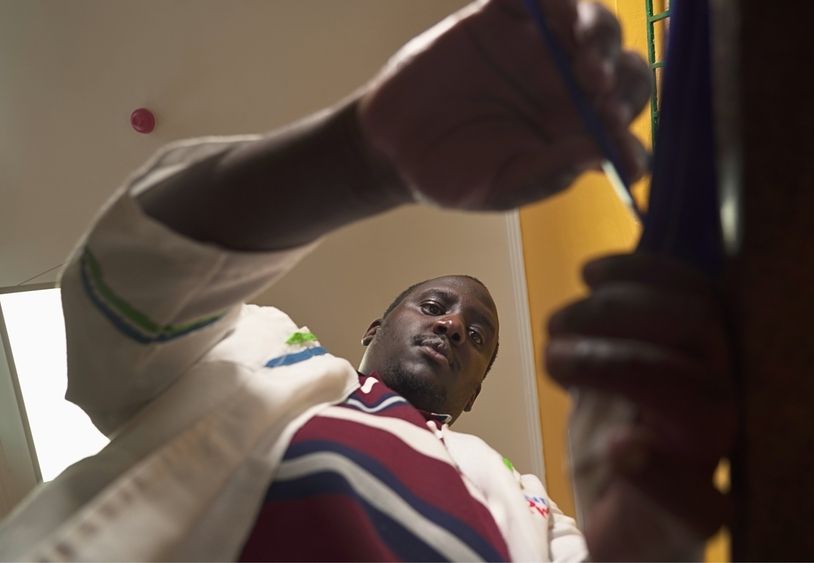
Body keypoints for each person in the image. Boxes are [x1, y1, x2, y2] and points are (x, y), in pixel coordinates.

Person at [0, 0, 735, 560]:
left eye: (476, 334)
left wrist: (637, 515)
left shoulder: (536, 507)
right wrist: (361, 157)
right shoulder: (253, 350)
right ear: (372, 332)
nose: (452, 325)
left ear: (476, 389)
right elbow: (126, 293)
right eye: (436, 306)